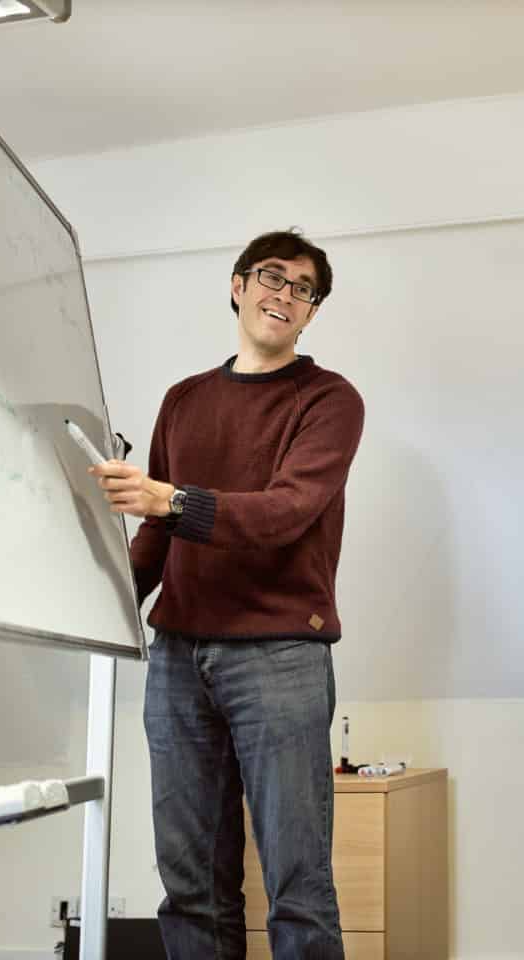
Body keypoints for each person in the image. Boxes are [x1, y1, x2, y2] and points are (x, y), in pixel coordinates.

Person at [91, 229, 364, 959]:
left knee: (297, 886)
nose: (284, 294)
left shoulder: (331, 400)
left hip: (280, 656)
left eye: (303, 289)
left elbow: (285, 513)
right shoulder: (183, 400)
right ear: (238, 286)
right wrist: (101, 606)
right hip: (178, 656)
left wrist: (169, 500)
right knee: (190, 885)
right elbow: (155, 537)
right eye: (271, 277)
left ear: (311, 315)